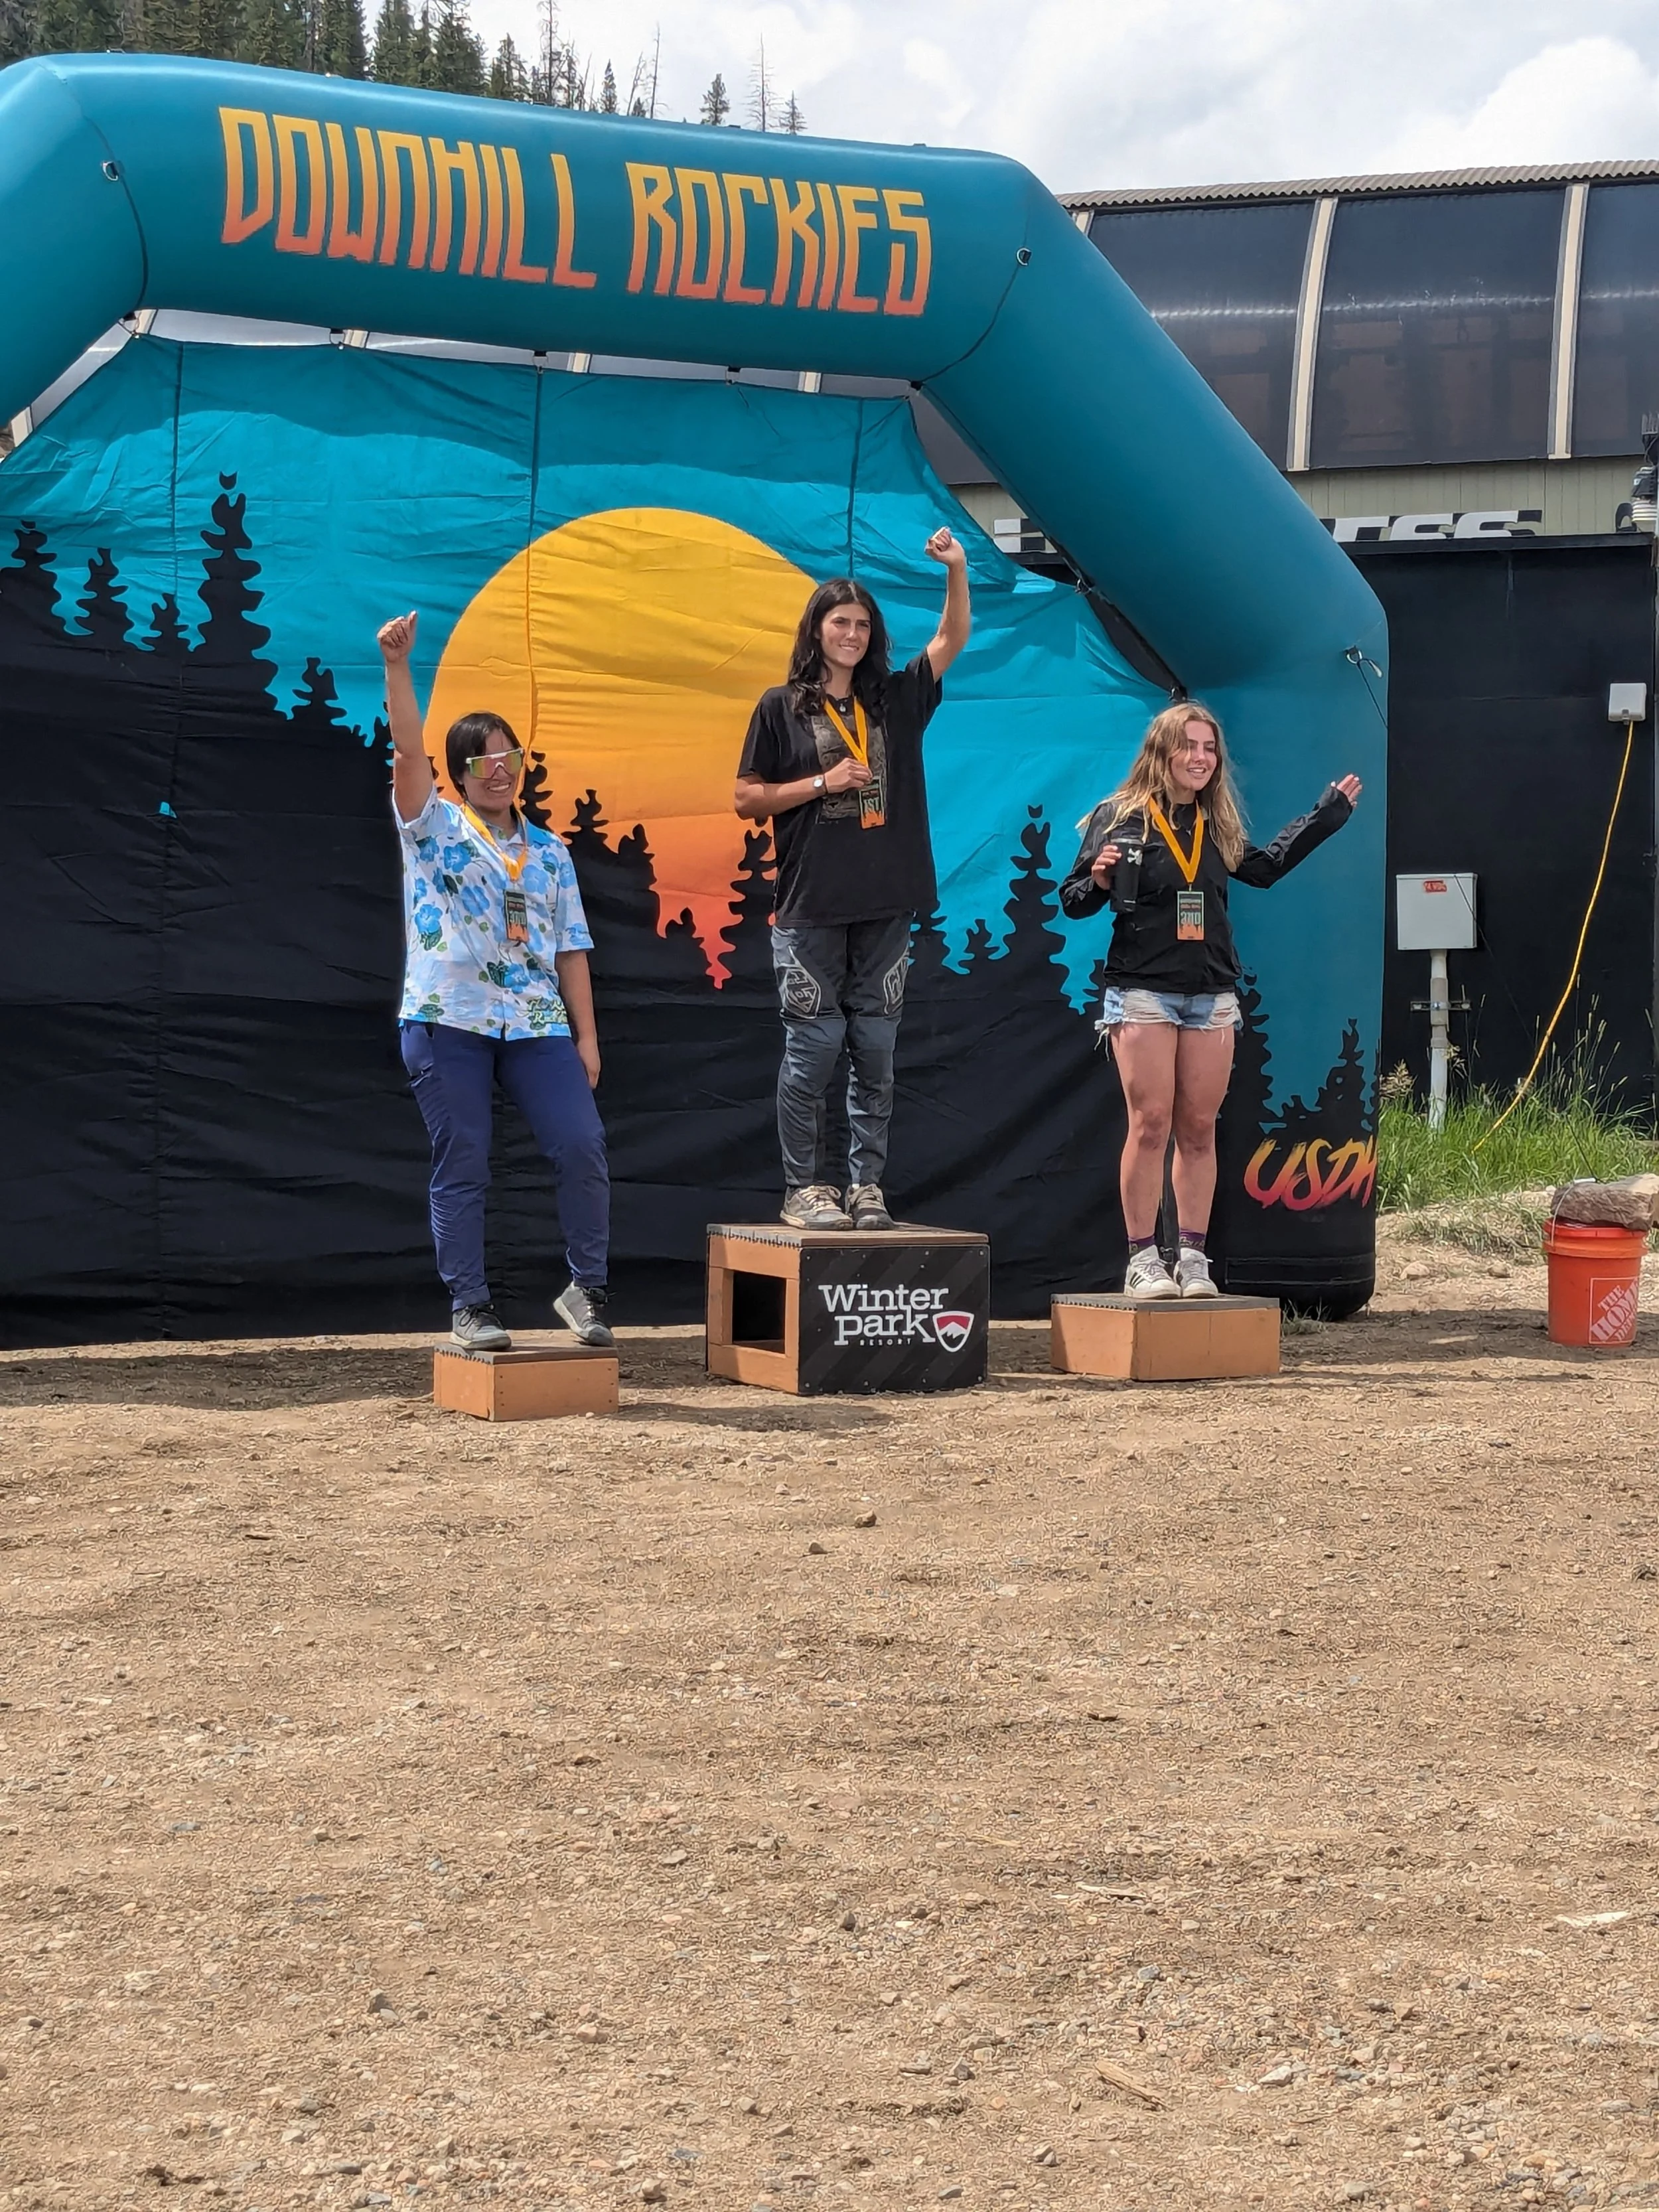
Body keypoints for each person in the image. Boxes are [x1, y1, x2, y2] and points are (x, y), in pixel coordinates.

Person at [1059, 701, 1361, 1300]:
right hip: (1143, 991)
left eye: (1209, 748)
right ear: (1162, 751)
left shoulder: (1214, 822)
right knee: (1150, 1125)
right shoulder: (1117, 817)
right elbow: (1072, 898)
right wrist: (1096, 877)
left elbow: (1267, 867)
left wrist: (1326, 817)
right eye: (1189, 746)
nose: (1201, 758)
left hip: (1211, 995)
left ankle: (1192, 1257)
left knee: (1198, 1128)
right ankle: (1142, 1258)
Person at [378, 611, 613, 1351]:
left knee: (582, 1145)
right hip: (449, 1017)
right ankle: (470, 1305)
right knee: (466, 1160)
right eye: (482, 758)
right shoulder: (433, 824)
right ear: (460, 772)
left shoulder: (549, 853)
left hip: (536, 1019)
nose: (499, 766)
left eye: (508, 753)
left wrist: (588, 1038)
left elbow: (571, 947)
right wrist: (397, 666)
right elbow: (407, 747)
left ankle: (588, 1288)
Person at [733, 530, 971, 1230]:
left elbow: (951, 637)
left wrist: (955, 569)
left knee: (876, 1049)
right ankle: (804, 1188)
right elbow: (746, 799)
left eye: (863, 624)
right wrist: (820, 781)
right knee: (813, 1048)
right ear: (816, 630)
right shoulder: (782, 706)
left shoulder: (896, 700)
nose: (852, 633)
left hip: (887, 902)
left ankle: (866, 1186)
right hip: (810, 905)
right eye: (839, 622)